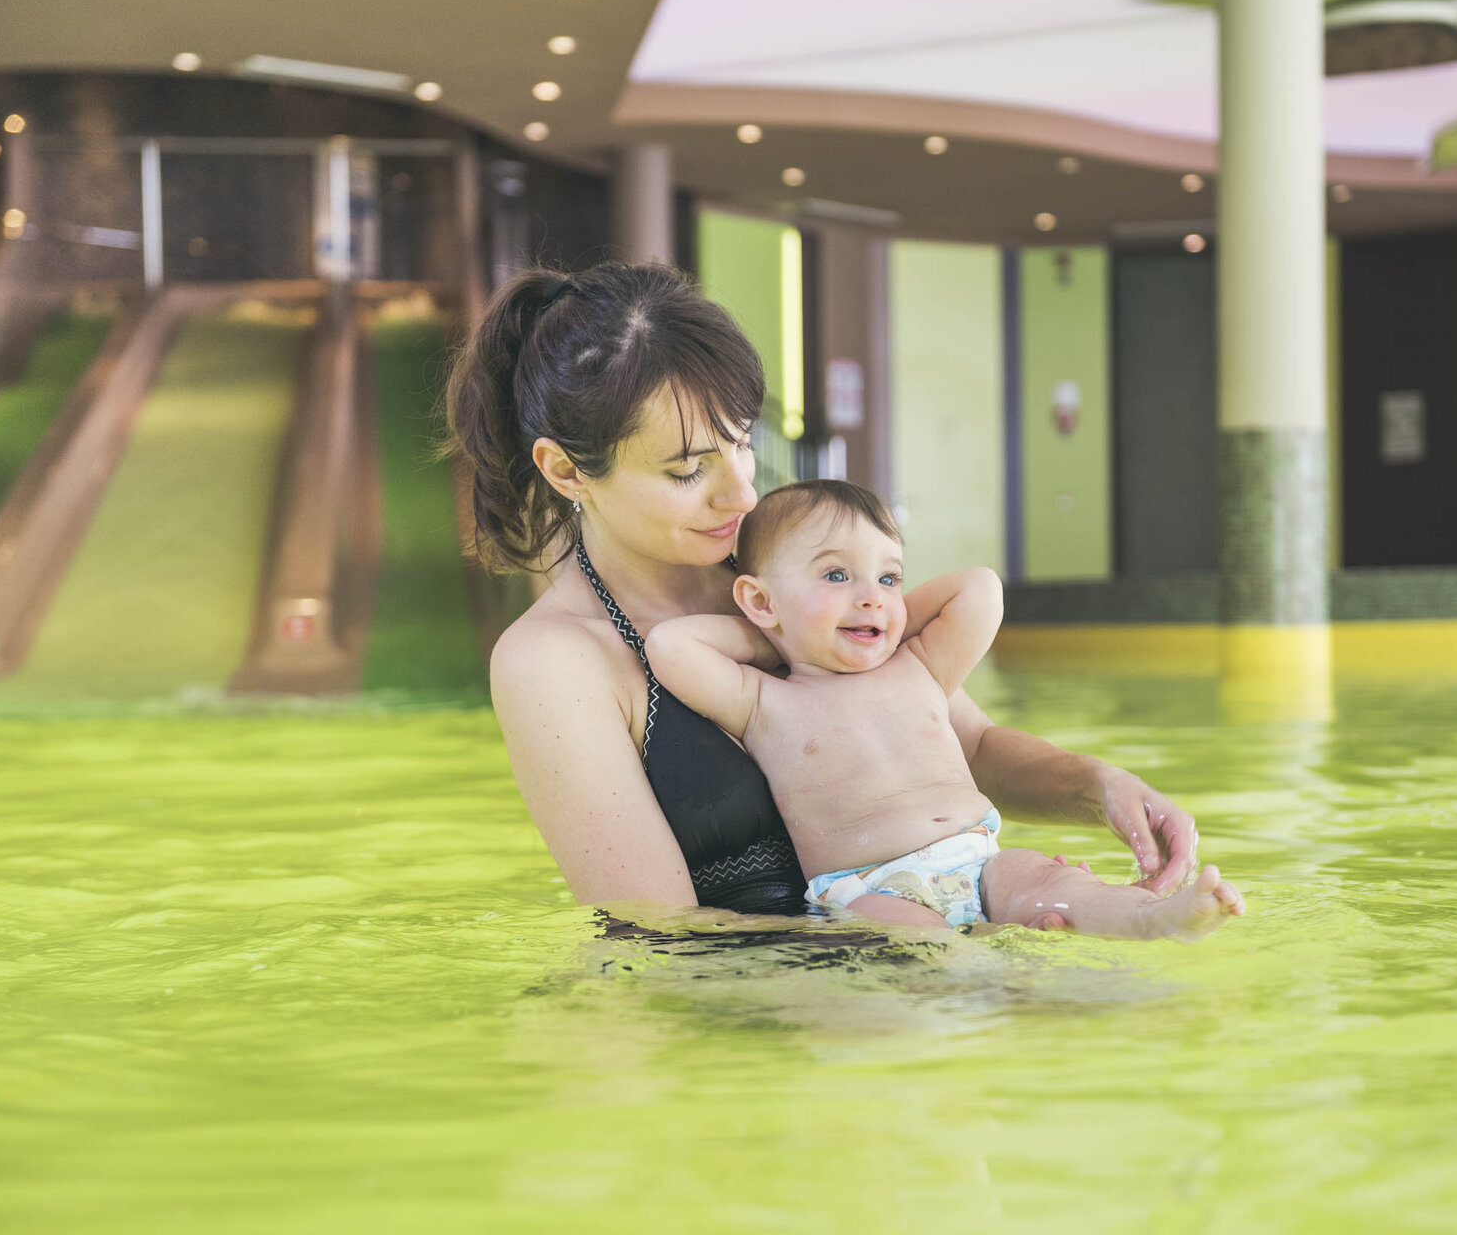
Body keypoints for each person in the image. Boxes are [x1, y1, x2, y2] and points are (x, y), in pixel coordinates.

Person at [444, 261, 1204, 923]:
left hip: (937, 941)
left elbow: (962, 744)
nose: (739, 494)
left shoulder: (796, 576)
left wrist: (1100, 788)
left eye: (743, 442)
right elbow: (661, 932)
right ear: (566, 471)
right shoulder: (555, 662)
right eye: (687, 470)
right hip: (777, 1013)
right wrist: (926, 949)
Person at [643, 480, 1245, 936]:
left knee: (1052, 883)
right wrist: (773, 633)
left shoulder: (918, 669)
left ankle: (1154, 917)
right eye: (835, 575)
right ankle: (979, 980)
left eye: (888, 578)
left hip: (978, 859)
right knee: (913, 946)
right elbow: (670, 647)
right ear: (758, 600)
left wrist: (879, 614)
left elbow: (980, 589)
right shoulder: (764, 701)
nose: (870, 599)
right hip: (871, 888)